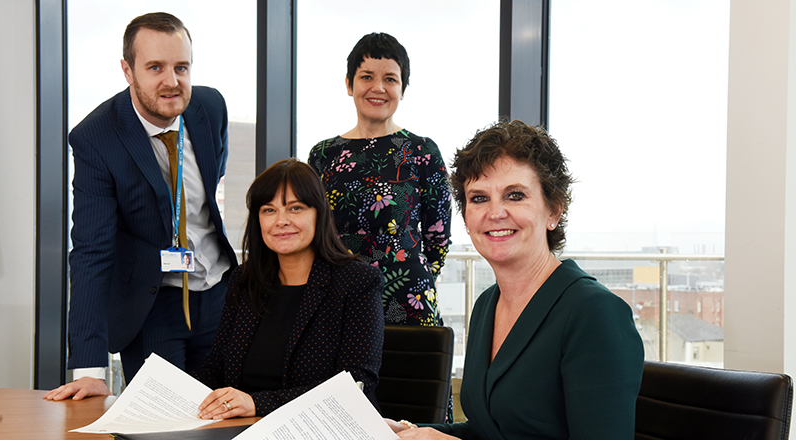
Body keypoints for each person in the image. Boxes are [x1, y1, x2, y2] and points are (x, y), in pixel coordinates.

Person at [387, 120, 644, 440]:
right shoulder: (486, 305)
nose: (495, 213)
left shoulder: (595, 313)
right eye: (479, 198)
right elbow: (492, 430)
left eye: (515, 195)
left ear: (553, 211)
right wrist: (409, 431)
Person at [44, 12, 237, 401]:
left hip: (219, 294)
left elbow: (210, 190)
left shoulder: (210, 107)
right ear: (127, 70)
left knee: (228, 418)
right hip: (151, 306)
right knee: (164, 425)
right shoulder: (96, 138)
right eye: (155, 67)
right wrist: (90, 367)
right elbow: (91, 253)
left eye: (181, 67)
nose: (172, 81)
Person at [192, 158, 384, 419]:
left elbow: (355, 383)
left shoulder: (357, 281)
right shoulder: (245, 279)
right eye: (268, 210)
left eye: (295, 208)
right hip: (242, 431)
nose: (281, 221)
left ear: (318, 212)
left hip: (324, 430)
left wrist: (257, 404)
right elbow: (216, 369)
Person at [308, 32, 451, 327]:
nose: (378, 88)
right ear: (349, 84)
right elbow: (313, 233)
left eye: (390, 79)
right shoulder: (323, 154)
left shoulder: (422, 151)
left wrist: (414, 278)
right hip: (339, 299)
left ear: (402, 88)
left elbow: (438, 236)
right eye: (366, 77)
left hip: (409, 299)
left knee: (412, 374)